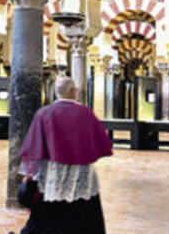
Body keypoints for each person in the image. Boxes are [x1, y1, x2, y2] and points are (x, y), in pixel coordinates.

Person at [17, 76, 112, 234]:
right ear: (73, 91)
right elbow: (102, 139)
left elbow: (34, 145)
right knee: (84, 215)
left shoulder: (44, 113)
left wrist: (30, 173)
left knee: (48, 217)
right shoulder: (85, 113)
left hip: (52, 173)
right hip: (81, 173)